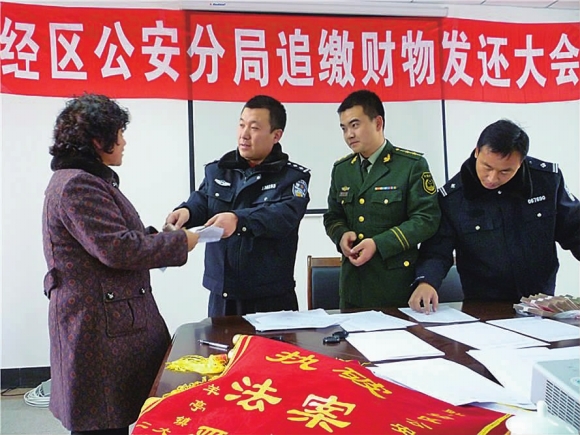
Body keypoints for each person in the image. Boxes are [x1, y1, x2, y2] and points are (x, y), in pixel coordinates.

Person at [42, 94, 199, 435]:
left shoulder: (84, 179)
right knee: (101, 424)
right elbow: (117, 249)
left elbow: (114, 238)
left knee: (111, 420)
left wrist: (159, 237)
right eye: (119, 133)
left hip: (107, 321)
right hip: (97, 328)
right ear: (98, 141)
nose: (124, 141)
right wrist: (181, 242)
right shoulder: (78, 184)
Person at [409, 119, 580, 313]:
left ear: (521, 162)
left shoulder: (546, 181)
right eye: (487, 167)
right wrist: (426, 282)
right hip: (485, 305)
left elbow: (574, 228)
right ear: (477, 152)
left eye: (505, 171)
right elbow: (437, 250)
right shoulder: (454, 197)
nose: (492, 178)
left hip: (539, 301)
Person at [165, 94, 310, 317]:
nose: (244, 134)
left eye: (254, 128)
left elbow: (283, 217)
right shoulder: (218, 170)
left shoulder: (292, 178)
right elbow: (202, 200)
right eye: (241, 125)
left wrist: (238, 220)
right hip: (223, 294)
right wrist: (186, 211)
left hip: (270, 298)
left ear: (276, 135)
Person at [323, 89, 441, 309]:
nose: (349, 134)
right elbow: (332, 216)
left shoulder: (410, 166)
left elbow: (426, 219)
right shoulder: (342, 170)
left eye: (355, 125)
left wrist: (379, 244)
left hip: (395, 288)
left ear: (378, 123)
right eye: (344, 128)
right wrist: (341, 235)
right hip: (353, 288)